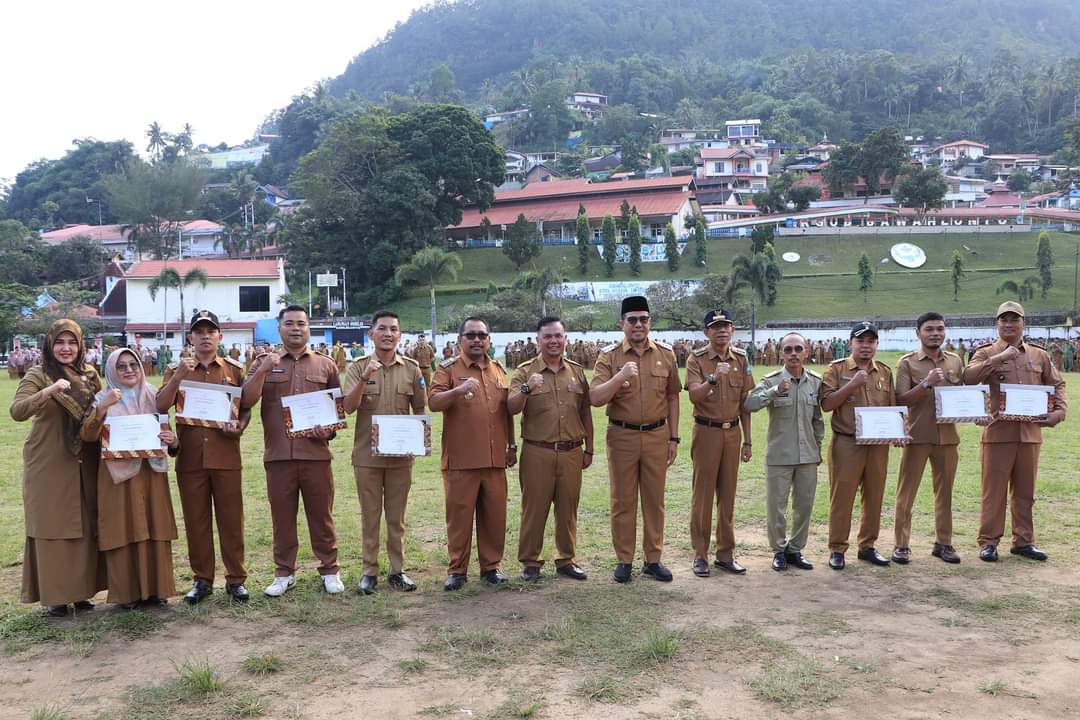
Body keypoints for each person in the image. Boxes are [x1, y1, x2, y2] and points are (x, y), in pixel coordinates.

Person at [242, 305, 344, 596]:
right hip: (278, 456)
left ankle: (330, 569)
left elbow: (337, 412)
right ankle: (284, 572)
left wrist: (329, 429)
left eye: (301, 323)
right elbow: (246, 400)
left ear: (309, 328)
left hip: (316, 455)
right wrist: (262, 369)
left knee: (321, 515)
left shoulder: (325, 365)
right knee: (282, 518)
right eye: (289, 323)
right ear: (280, 329)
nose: (296, 328)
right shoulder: (263, 361)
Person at [156, 310, 251, 604]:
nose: (206, 336)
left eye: (211, 331)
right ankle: (202, 579)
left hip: (225, 455)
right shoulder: (177, 369)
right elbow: (160, 404)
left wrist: (240, 426)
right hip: (191, 458)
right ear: (191, 338)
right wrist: (181, 375)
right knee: (196, 521)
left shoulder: (234, 370)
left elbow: (245, 406)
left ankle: (235, 579)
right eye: (200, 332)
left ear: (220, 337)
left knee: (231, 520)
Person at [12, 320, 105, 617]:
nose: (66, 348)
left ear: (80, 346)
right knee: (53, 525)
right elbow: (17, 411)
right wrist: (49, 391)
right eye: (60, 343)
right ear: (50, 346)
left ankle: (81, 593)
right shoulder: (38, 374)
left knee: (84, 523)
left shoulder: (90, 375)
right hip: (49, 460)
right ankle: (55, 596)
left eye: (72, 342)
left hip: (85, 458)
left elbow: (100, 410)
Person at [963, 301, 1067, 562]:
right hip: (998, 432)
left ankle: (1023, 541)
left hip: (1030, 433)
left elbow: (1057, 384)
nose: (1009, 324)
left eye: (1014, 320)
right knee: (993, 491)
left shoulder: (1039, 355)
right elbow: (969, 377)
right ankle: (989, 542)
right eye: (1004, 320)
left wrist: (1058, 413)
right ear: (996, 324)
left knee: (1025, 491)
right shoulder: (985, 352)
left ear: (1024, 323)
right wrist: (999, 358)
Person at [590, 296, 680, 583]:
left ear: (650, 322)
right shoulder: (610, 356)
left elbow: (673, 396)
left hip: (657, 434)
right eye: (632, 320)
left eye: (643, 319)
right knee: (623, 500)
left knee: (655, 500)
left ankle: (653, 559)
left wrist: (674, 437)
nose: (638, 324)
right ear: (622, 324)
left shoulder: (666, 354)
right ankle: (624, 560)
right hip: (622, 436)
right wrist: (619, 377)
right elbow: (595, 398)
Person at [81, 348, 179, 608]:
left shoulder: (153, 394)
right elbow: (88, 436)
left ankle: (156, 589)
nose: (129, 370)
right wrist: (101, 408)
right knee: (121, 528)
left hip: (151, 474)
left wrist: (172, 440)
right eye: (121, 366)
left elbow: (166, 432)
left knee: (154, 526)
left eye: (133, 364)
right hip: (117, 477)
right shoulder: (102, 398)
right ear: (112, 371)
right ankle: (127, 594)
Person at [428, 317, 515, 591]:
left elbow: (507, 412)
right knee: (459, 519)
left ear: (489, 339)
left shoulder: (498, 370)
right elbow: (433, 402)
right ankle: (457, 570)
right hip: (461, 460)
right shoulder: (448, 370)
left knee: (494, 516)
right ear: (460, 340)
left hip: (493, 458)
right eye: (471, 335)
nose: (477, 340)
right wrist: (458, 390)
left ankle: (491, 567)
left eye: (482, 335)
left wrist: (511, 445)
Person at [342, 310, 425, 594]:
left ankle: (397, 571)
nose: (388, 333)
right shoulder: (358, 367)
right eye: (382, 329)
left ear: (399, 335)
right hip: (368, 457)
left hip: (401, 458)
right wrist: (365, 378)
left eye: (393, 329)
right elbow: (348, 407)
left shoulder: (412, 369)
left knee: (396, 517)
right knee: (370, 514)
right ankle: (369, 571)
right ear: (371, 334)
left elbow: (421, 408)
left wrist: (419, 440)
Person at [508, 316, 594, 581]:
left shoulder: (577, 371)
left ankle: (566, 559)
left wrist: (589, 448)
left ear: (565, 338)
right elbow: (510, 408)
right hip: (537, 451)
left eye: (558, 335)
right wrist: (526, 388)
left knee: (568, 507)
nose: (554, 341)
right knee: (534, 507)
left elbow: (585, 411)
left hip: (571, 451)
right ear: (538, 340)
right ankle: (531, 562)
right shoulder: (525, 371)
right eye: (548, 336)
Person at [820, 321, 897, 570]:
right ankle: (838, 548)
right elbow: (827, 404)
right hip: (847, 442)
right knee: (842, 497)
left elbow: (892, 408)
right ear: (851, 343)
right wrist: (852, 385)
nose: (866, 346)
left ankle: (867, 546)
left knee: (874, 496)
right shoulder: (836, 369)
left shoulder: (884, 372)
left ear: (876, 344)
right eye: (860, 341)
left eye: (870, 341)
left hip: (877, 445)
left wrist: (897, 431)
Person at [745, 331, 824, 571]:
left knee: (805, 505)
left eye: (798, 349)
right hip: (780, 454)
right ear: (781, 353)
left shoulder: (816, 381)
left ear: (806, 352)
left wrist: (817, 448)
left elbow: (817, 420)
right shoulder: (771, 380)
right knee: (776, 506)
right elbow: (749, 404)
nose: (793, 354)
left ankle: (795, 550)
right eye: (788, 349)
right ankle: (778, 550)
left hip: (808, 455)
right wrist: (774, 391)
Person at [892, 312, 964, 565]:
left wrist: (980, 409)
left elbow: (964, 396)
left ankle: (943, 544)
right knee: (906, 493)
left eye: (940, 329)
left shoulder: (955, 361)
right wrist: (925, 384)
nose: (936, 333)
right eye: (929, 329)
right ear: (918, 333)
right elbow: (899, 400)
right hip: (917, 436)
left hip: (947, 437)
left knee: (945, 494)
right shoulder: (907, 363)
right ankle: (901, 545)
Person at [684, 309, 752, 577]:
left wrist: (748, 440)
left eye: (726, 326)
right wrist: (712, 377)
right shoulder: (696, 360)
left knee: (728, 495)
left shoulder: (742, 358)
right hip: (707, 432)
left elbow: (745, 402)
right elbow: (694, 397)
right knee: (702, 496)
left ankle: (725, 553)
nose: (722, 331)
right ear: (706, 333)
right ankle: (700, 554)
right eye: (716, 327)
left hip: (732, 433)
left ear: (732, 330)